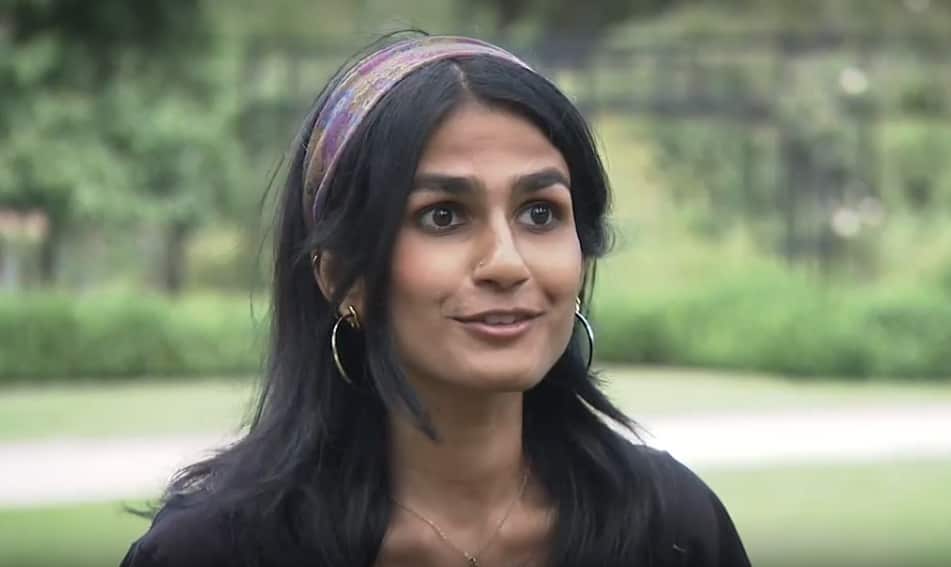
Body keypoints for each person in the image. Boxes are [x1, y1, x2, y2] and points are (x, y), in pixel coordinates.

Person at [120, 33, 750, 567]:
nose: (507, 261)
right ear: (342, 275)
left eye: (540, 212)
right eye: (444, 216)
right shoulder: (215, 551)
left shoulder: (671, 532)